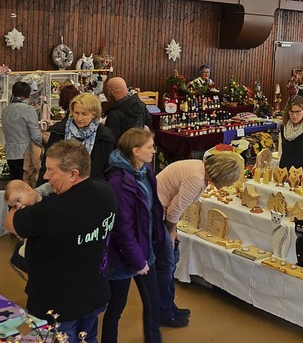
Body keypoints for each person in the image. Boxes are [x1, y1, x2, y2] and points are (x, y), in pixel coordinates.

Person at [4, 140, 117, 343]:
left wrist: (19, 200)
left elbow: (11, 224)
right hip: (94, 295)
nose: (46, 176)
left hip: (57, 306)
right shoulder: (105, 191)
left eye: (51, 171)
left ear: (73, 174)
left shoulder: (50, 211)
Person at [155, 152, 244, 327]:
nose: (229, 185)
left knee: (172, 260)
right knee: (166, 265)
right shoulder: (196, 179)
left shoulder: (199, 170)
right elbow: (174, 211)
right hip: (156, 215)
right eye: (229, 181)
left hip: (160, 213)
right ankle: (163, 312)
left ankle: (169, 306)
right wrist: (171, 233)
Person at [102, 129, 164, 342]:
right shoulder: (118, 182)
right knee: (116, 308)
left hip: (145, 250)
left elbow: (151, 209)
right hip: (122, 257)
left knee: (153, 303)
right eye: (150, 147)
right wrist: (138, 261)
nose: (154, 151)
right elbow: (122, 228)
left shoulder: (145, 171)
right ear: (136, 151)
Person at [37, 93, 115, 186]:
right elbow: (46, 164)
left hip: (92, 190)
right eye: (76, 113)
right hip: (61, 187)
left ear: (94, 114)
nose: (79, 118)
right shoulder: (59, 132)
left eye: (84, 114)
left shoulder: (104, 137)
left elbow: (108, 170)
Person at [1, 82, 42, 180]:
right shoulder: (29, 110)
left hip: (10, 153)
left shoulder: (5, 110)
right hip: (25, 153)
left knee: (15, 184)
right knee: (26, 185)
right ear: (27, 95)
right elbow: (36, 136)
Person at [104, 77, 151, 143]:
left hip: (122, 150)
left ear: (113, 91)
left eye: (108, 90)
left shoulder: (114, 113)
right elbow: (148, 123)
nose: (108, 93)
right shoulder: (141, 105)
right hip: (139, 147)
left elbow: (110, 140)